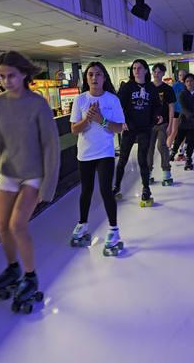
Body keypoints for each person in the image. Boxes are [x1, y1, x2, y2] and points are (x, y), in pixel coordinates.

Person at [0, 50, 60, 304]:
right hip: (8, 172)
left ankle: (30, 276)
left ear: (24, 75)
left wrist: (48, 186)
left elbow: (50, 146)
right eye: (2, 77)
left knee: (17, 225)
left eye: (11, 76)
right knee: (1, 226)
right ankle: (13, 268)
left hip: (32, 174)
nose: (6, 81)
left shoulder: (38, 104)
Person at [70, 61, 125, 255]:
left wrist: (100, 119)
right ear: (86, 78)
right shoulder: (80, 100)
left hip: (105, 153)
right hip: (85, 153)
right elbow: (74, 130)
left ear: (104, 78)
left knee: (105, 190)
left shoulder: (112, 100)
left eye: (98, 74)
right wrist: (87, 119)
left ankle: (113, 230)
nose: (94, 77)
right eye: (91, 74)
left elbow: (119, 128)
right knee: (86, 190)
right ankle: (83, 224)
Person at [113, 59, 162, 206]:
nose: (136, 70)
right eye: (134, 68)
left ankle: (146, 188)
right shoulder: (127, 87)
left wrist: (157, 116)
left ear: (146, 70)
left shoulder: (151, 88)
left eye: (139, 68)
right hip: (129, 129)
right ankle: (117, 186)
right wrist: (122, 121)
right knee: (122, 160)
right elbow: (118, 106)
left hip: (145, 128)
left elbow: (157, 106)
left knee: (142, 160)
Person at [147, 63, 176, 185]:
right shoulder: (147, 87)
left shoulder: (167, 89)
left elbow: (171, 108)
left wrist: (170, 125)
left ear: (163, 73)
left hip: (163, 124)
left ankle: (166, 172)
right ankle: (147, 172)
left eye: (159, 72)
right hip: (149, 124)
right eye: (154, 71)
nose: (156, 74)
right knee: (149, 148)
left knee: (162, 146)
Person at [168, 69, 187, 160]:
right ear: (178, 76)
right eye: (180, 75)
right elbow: (170, 99)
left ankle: (181, 152)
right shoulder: (175, 86)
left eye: (183, 74)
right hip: (176, 111)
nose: (182, 76)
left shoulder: (188, 85)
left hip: (186, 112)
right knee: (174, 131)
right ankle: (167, 150)